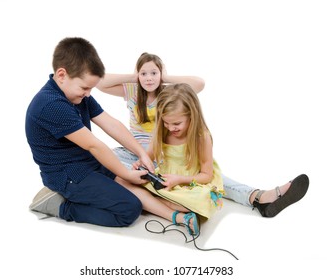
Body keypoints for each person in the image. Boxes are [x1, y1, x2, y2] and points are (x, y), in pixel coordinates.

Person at [96, 53, 309, 218]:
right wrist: (136, 76)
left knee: (208, 178)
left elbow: (198, 84)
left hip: (167, 152)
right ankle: (153, 197)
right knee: (104, 160)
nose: (149, 78)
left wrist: (162, 76)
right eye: (144, 73)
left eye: (154, 73)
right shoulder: (132, 91)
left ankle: (257, 196)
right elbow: (100, 82)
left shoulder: (170, 95)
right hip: (138, 151)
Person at [25, 38, 199, 235]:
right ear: (62, 75)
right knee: (129, 209)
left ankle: (177, 217)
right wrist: (124, 174)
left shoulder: (78, 94)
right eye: (85, 88)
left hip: (87, 164)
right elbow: (94, 146)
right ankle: (60, 206)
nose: (89, 94)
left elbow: (111, 124)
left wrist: (142, 153)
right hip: (67, 175)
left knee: (133, 185)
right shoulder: (51, 105)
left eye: (91, 88)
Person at [133, 83, 224, 220]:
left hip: (191, 183)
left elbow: (206, 175)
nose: (170, 128)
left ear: (192, 116)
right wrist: (141, 164)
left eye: (176, 124)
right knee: (127, 181)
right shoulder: (161, 131)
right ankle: (173, 205)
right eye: (166, 122)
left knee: (204, 199)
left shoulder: (201, 137)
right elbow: (148, 158)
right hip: (166, 181)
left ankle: (155, 203)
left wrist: (180, 179)